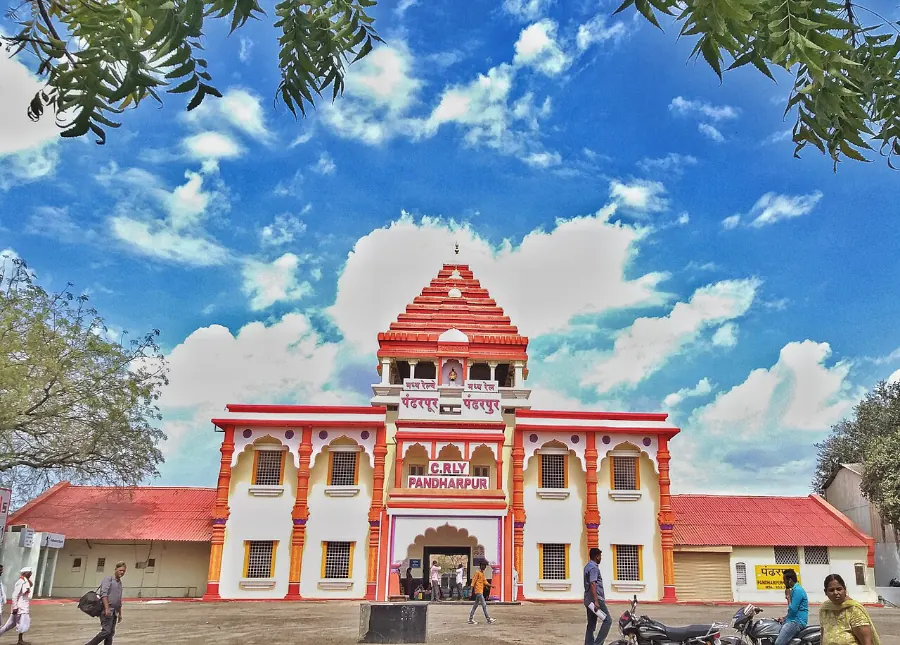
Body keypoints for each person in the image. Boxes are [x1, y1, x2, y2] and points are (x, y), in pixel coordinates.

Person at [820, 574, 881, 645]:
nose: (836, 593)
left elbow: (866, 642)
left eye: (839, 589)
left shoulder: (854, 610)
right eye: (831, 590)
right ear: (825, 592)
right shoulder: (825, 609)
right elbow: (822, 637)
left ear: (845, 589)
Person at [85, 561, 126, 645]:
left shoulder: (119, 583)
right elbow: (104, 594)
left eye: (124, 571)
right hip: (106, 610)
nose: (122, 572)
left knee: (110, 633)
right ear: (116, 569)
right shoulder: (108, 579)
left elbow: (118, 599)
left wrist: (120, 613)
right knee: (106, 631)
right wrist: (107, 608)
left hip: (114, 612)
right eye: (120, 570)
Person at [584, 548, 612, 645]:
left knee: (591, 625)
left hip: (588, 600)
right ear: (597, 556)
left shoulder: (587, 566)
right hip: (596, 599)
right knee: (608, 620)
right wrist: (596, 601)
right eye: (600, 556)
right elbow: (593, 583)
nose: (601, 558)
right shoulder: (594, 568)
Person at [0, 566, 33, 645]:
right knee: (21, 623)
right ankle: (20, 640)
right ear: (25, 573)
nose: (31, 574)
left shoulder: (25, 581)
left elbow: (30, 585)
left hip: (23, 607)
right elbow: (15, 595)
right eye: (29, 573)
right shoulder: (20, 582)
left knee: (11, 625)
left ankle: (20, 640)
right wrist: (15, 607)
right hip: (19, 607)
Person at [775, 569, 808, 645]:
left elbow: (793, 609)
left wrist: (788, 597)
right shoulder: (794, 590)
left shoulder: (798, 590)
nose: (783, 582)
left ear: (789, 580)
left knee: (778, 643)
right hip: (793, 620)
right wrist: (784, 618)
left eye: (784, 580)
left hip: (796, 622)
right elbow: (793, 612)